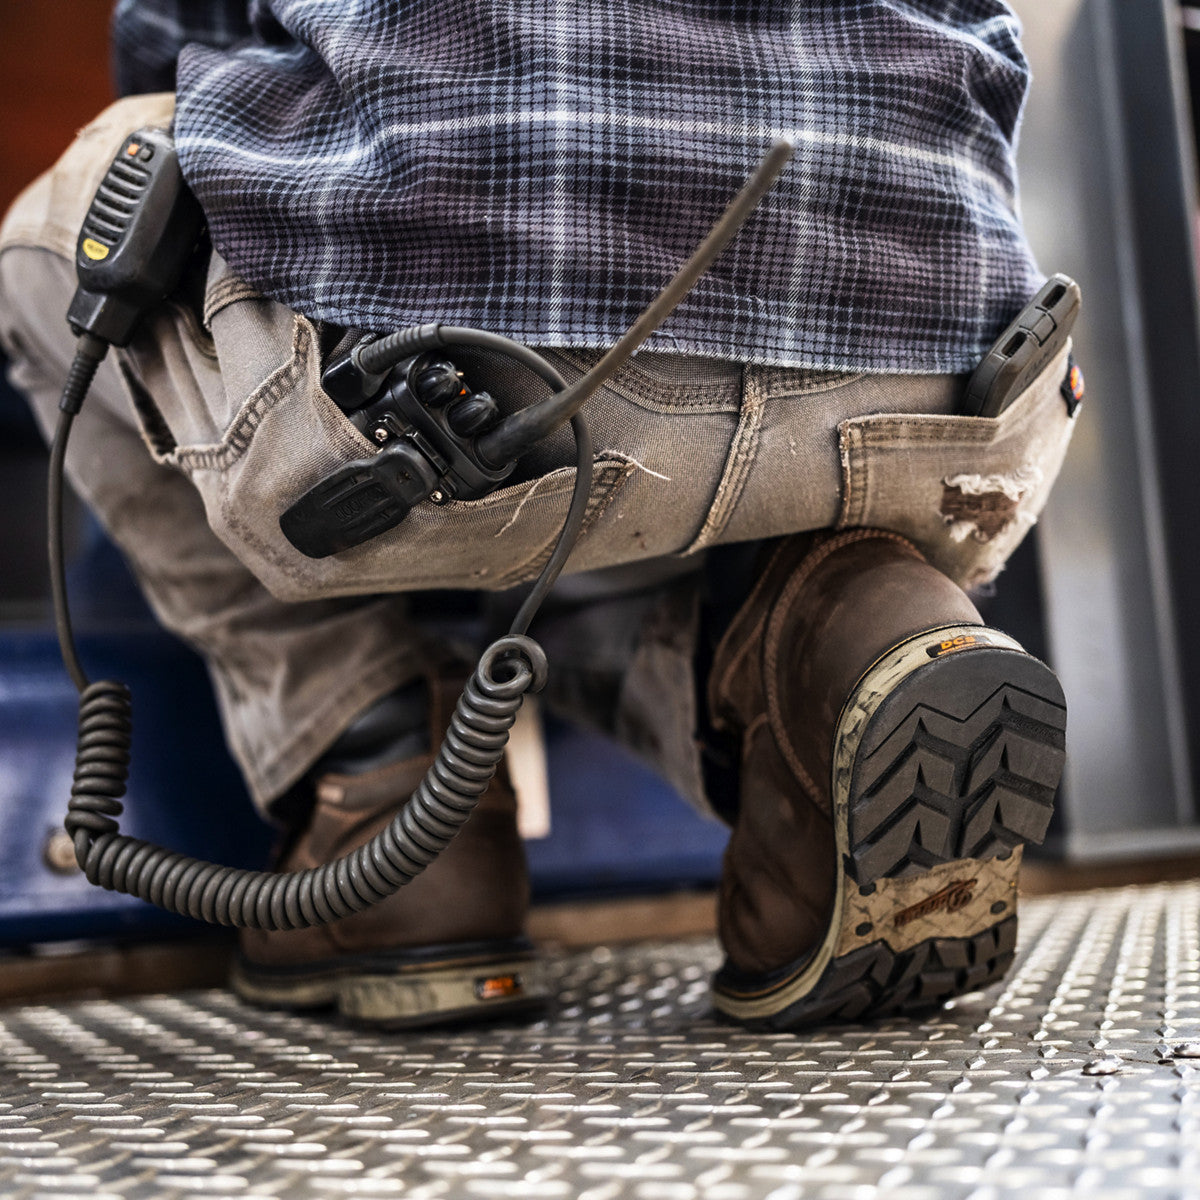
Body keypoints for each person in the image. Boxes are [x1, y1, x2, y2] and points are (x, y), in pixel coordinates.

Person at [0, 0, 1076, 1030]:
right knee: (583, 514)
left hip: (485, 383)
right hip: (936, 382)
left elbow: (183, 46)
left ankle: (376, 782)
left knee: (61, 228)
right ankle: (826, 649)